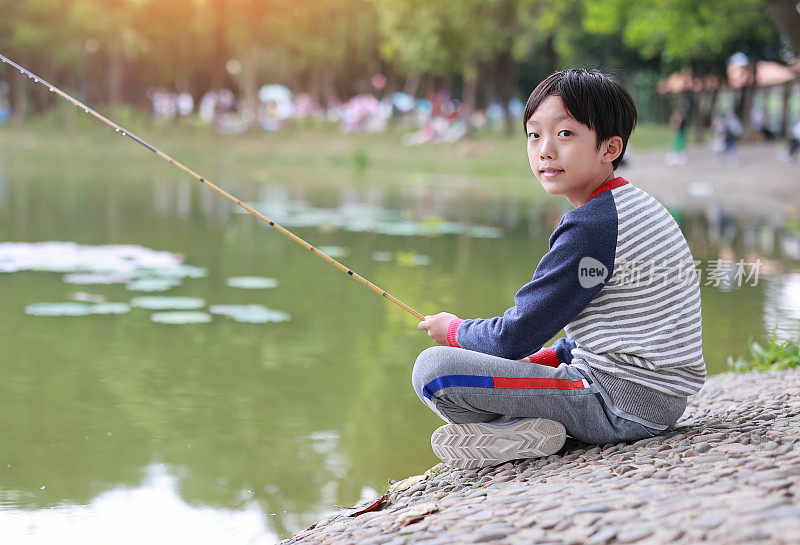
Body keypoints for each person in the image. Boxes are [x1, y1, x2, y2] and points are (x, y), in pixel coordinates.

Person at [413, 69, 706, 469]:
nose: (545, 150)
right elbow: (608, 327)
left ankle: (515, 431)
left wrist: (453, 329)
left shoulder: (593, 226)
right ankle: (520, 433)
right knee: (521, 360)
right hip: (652, 398)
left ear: (610, 148)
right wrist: (544, 359)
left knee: (434, 371)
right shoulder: (628, 206)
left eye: (565, 134)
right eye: (534, 135)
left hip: (618, 400)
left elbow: (514, 335)